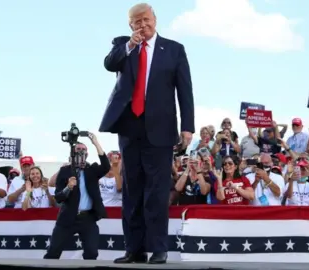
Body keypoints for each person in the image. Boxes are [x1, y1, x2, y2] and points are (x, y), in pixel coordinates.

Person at [99, 2, 195, 264]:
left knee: (157, 189)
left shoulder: (174, 49)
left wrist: (188, 126)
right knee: (132, 189)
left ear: (155, 19)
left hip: (161, 129)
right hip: (129, 127)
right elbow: (109, 64)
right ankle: (134, 249)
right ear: (130, 25)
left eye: (146, 19)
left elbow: (185, 91)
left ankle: (158, 248)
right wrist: (130, 45)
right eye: (136, 21)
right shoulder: (123, 45)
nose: (143, 24)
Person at [43, 133, 110, 260]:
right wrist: (68, 188)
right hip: (68, 217)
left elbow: (106, 166)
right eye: (78, 149)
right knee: (53, 252)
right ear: (72, 153)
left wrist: (95, 143)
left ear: (87, 154)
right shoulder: (65, 171)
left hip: (88, 218)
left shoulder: (92, 170)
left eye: (84, 149)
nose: (81, 151)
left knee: (91, 253)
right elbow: (58, 197)